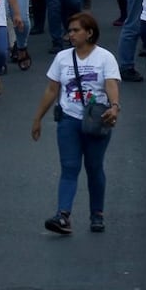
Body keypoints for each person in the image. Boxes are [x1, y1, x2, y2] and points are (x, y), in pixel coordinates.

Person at [31, 13, 121, 235]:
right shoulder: (62, 58)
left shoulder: (105, 57)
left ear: (89, 32)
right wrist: (38, 118)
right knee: (69, 168)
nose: (71, 34)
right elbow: (52, 89)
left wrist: (115, 106)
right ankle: (63, 215)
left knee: (94, 167)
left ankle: (97, 214)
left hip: (96, 120)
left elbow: (110, 84)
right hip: (69, 119)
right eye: (69, 31)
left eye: (75, 30)